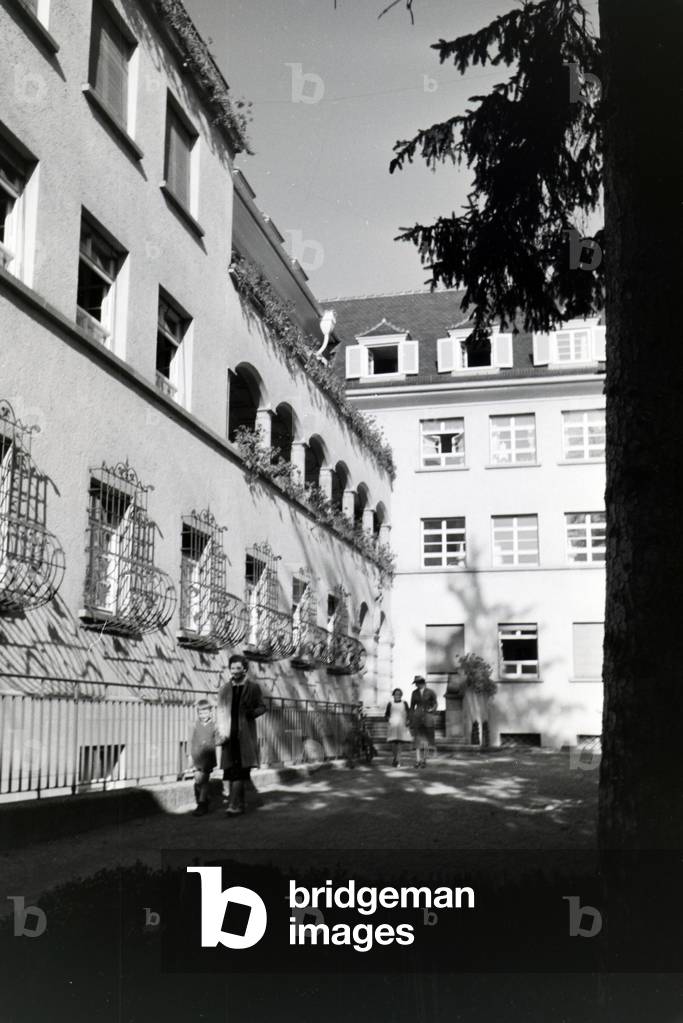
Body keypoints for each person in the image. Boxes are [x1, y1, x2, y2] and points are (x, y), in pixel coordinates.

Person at [216, 653, 267, 816]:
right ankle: (239, 804)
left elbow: (262, 707)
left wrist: (252, 713)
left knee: (239, 771)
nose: (235, 671)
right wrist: (220, 732)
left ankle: (234, 805)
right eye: (232, 668)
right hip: (228, 736)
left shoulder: (253, 688)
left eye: (238, 668)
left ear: (244, 669)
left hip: (244, 736)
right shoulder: (224, 689)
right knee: (231, 771)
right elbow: (220, 711)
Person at [188, 698, 218, 817]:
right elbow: (190, 741)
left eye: (205, 712)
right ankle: (205, 799)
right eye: (200, 713)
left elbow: (217, 739)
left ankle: (201, 804)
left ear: (210, 712)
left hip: (207, 758)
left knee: (204, 780)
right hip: (196, 756)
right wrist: (189, 755)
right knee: (197, 780)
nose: (203, 715)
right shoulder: (194, 725)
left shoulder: (214, 726)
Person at [409, 675, 437, 768]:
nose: (417, 685)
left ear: (423, 683)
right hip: (417, 717)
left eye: (418, 683)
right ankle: (417, 760)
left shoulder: (430, 692)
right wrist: (411, 719)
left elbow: (435, 703)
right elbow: (412, 707)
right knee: (417, 739)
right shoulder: (414, 693)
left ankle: (424, 760)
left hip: (428, 717)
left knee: (426, 740)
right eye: (416, 683)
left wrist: (432, 710)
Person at [384, 687, 411, 767]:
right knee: (393, 743)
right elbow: (386, 715)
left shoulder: (404, 703)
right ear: (393, 695)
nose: (397, 695)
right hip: (393, 725)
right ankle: (396, 758)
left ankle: (398, 760)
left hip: (402, 724)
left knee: (399, 742)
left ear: (401, 695)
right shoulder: (390, 703)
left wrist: (408, 720)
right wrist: (389, 720)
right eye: (396, 694)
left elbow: (408, 713)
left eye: (399, 694)